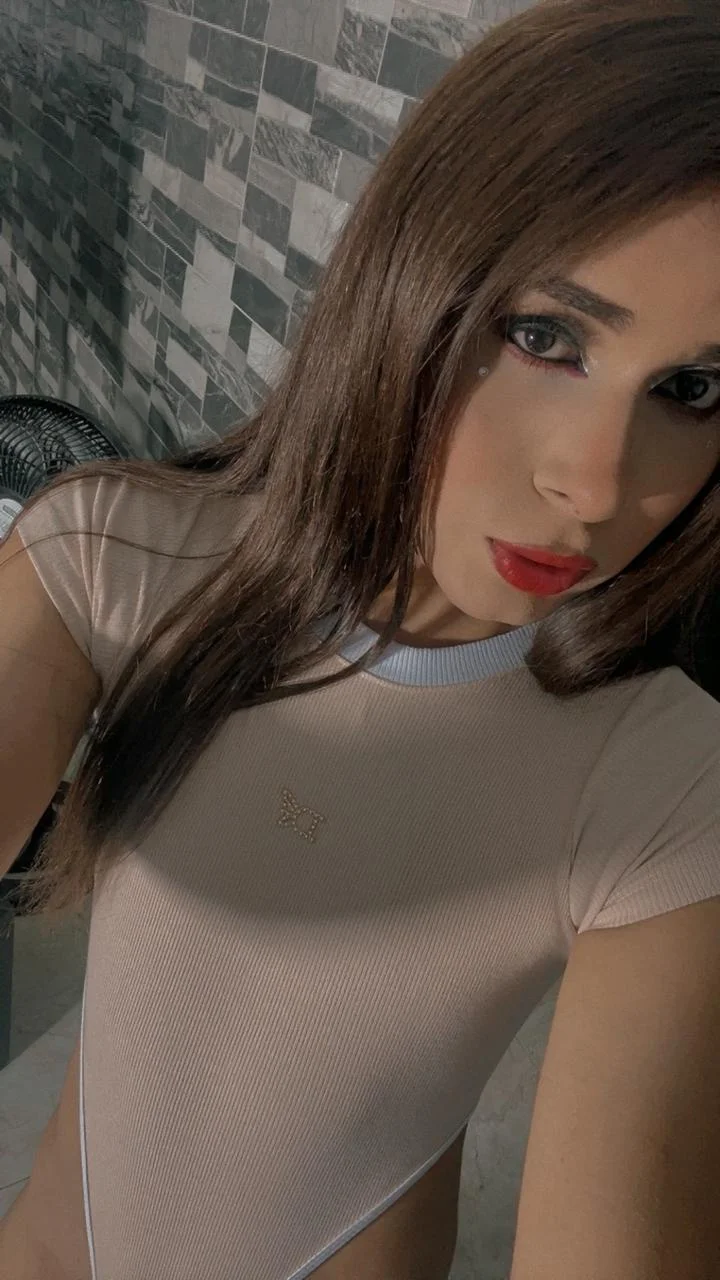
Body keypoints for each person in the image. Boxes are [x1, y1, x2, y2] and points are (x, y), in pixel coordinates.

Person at [1, 0, 720, 1276]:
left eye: (693, 389)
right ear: (408, 277)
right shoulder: (116, 554)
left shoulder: (669, 781)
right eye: (545, 336)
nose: (598, 484)